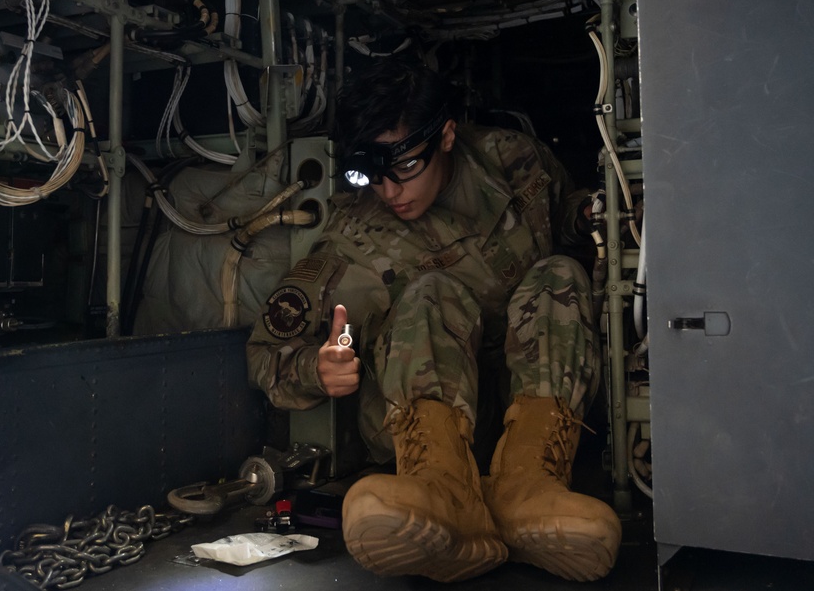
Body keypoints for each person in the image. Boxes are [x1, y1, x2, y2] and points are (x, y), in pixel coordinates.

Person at [246, 57, 621, 582]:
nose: (390, 191)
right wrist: (319, 368)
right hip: (423, 429)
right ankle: (445, 496)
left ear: (445, 136)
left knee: (558, 273)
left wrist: (589, 217)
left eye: (403, 167)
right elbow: (264, 354)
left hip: (530, 406)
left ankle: (530, 489)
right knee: (430, 292)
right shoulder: (354, 236)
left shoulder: (514, 162)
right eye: (372, 174)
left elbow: (566, 219)